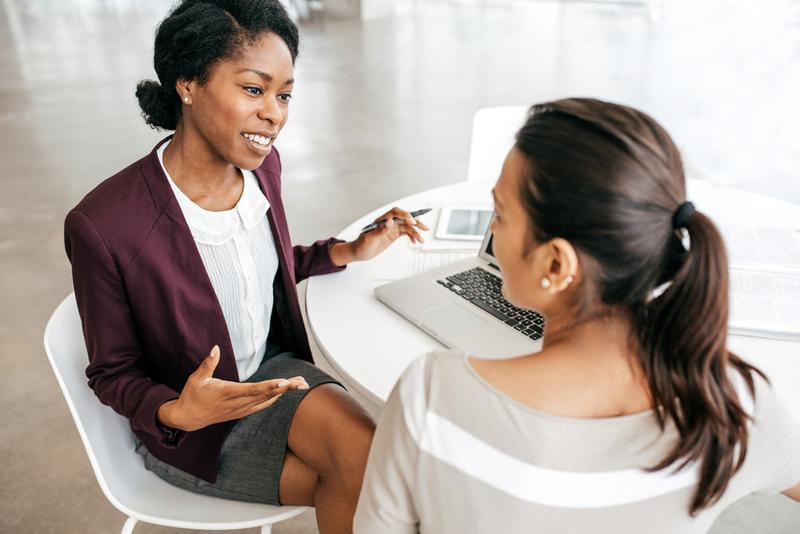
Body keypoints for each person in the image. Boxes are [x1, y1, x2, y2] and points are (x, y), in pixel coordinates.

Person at [354, 98, 800, 533]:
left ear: (555, 265)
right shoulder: (735, 406)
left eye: (502, 214)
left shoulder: (432, 398)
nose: (491, 229)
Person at [63, 1, 428, 532]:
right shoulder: (105, 223)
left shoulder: (261, 167)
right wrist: (177, 413)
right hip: (196, 428)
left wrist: (345, 251)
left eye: (284, 95)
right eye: (254, 90)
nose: (274, 114)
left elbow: (254, 270)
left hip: (272, 370)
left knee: (383, 470)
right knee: (379, 482)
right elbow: (112, 372)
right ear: (187, 84)